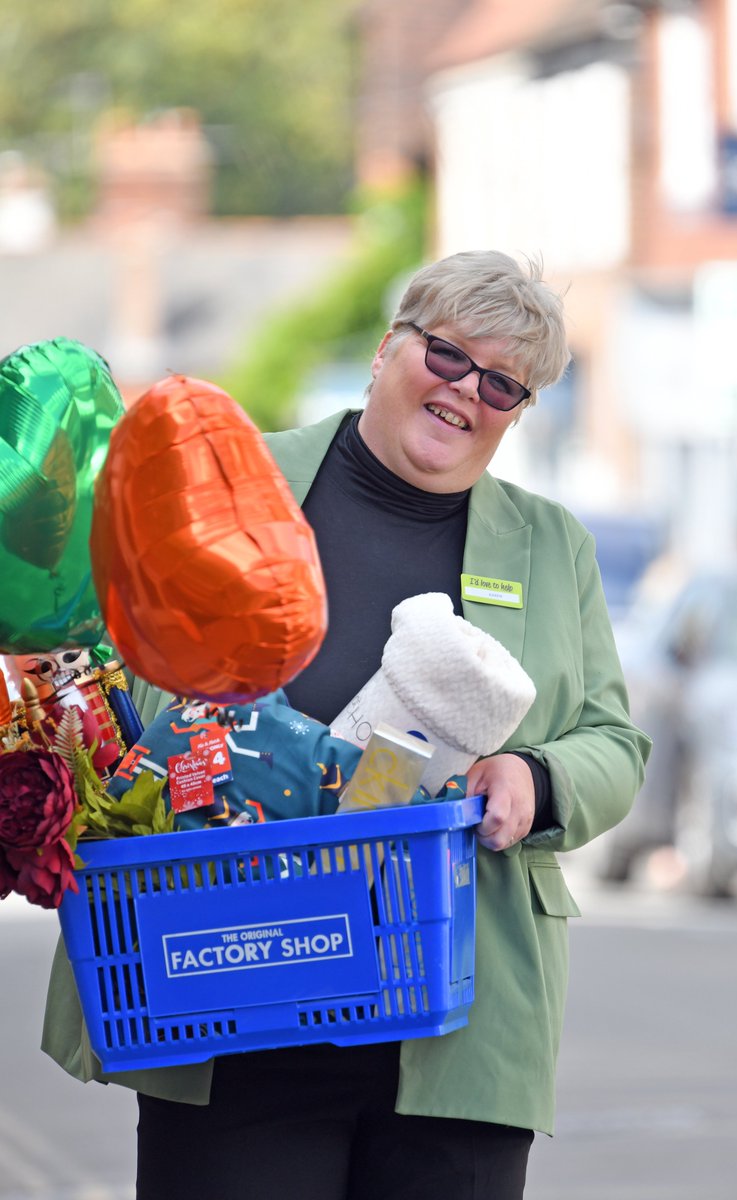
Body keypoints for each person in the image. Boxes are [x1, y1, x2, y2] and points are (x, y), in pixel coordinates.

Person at [43, 249, 651, 1199]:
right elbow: (119, 665)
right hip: (234, 982)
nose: (468, 392)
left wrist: (537, 777)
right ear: (386, 349)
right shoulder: (235, 477)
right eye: (448, 356)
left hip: (453, 1018)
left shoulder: (549, 544)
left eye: (504, 384)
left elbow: (615, 741)